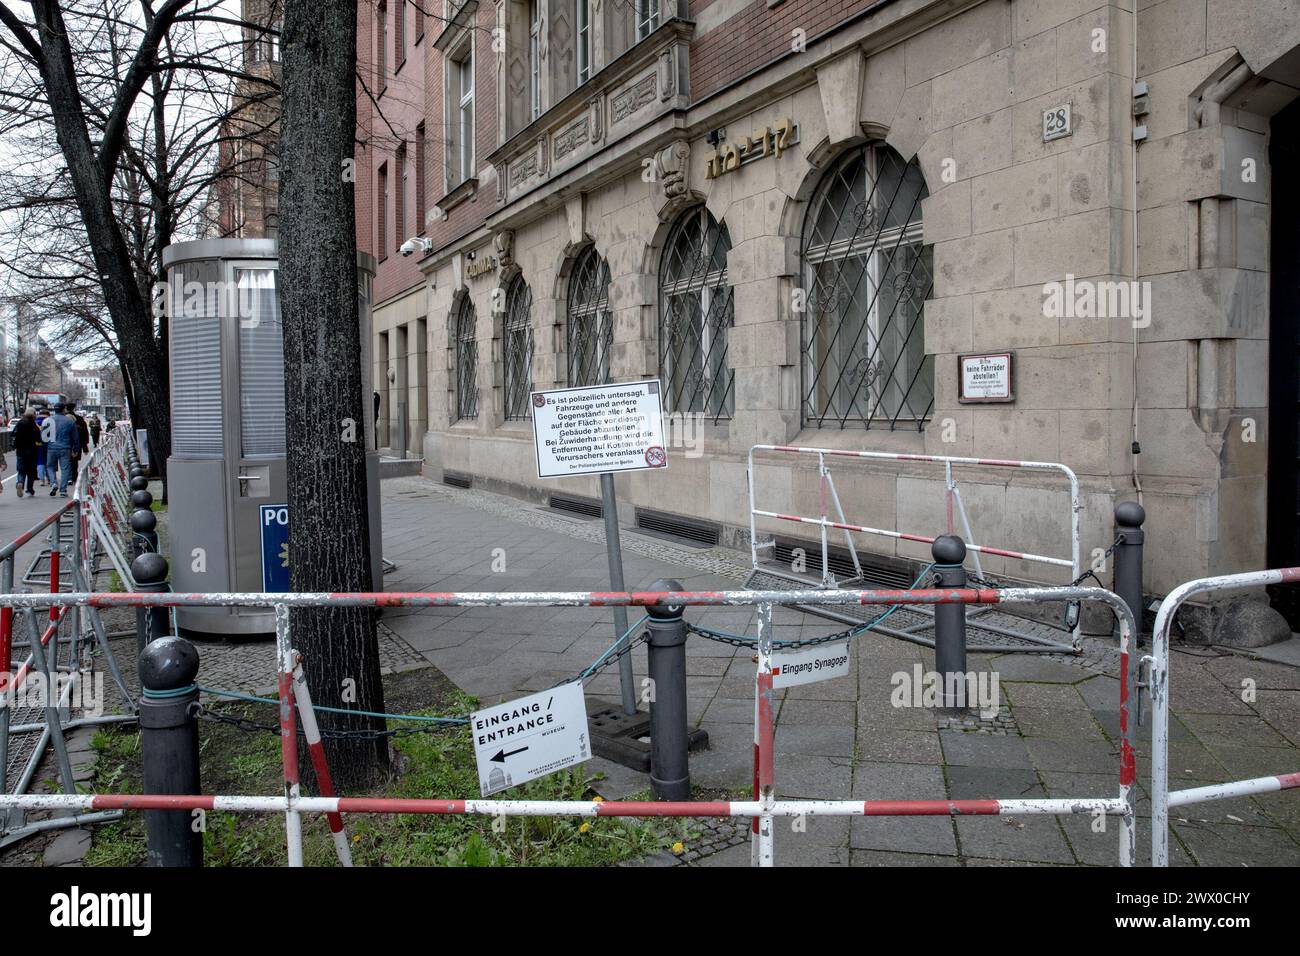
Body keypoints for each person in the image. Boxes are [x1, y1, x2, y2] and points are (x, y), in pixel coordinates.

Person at [45, 403, 80, 497]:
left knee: (50, 467)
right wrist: (76, 449)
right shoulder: (69, 421)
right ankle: (63, 490)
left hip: (51, 447)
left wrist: (46, 445)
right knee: (65, 468)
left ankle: (53, 483)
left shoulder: (48, 420)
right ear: (63, 409)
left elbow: (43, 436)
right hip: (65, 447)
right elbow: (75, 437)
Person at [12, 410, 38, 498]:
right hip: (32, 450)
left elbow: (13, 435)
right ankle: (30, 489)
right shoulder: (33, 425)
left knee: (21, 470)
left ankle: (20, 483)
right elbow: (38, 438)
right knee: (31, 471)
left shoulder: (20, 424)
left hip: (20, 450)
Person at [34, 409, 48, 486]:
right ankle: (50, 479)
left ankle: (41, 480)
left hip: (37, 445)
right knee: (48, 462)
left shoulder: (34, 422)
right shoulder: (49, 422)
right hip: (47, 444)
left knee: (40, 462)